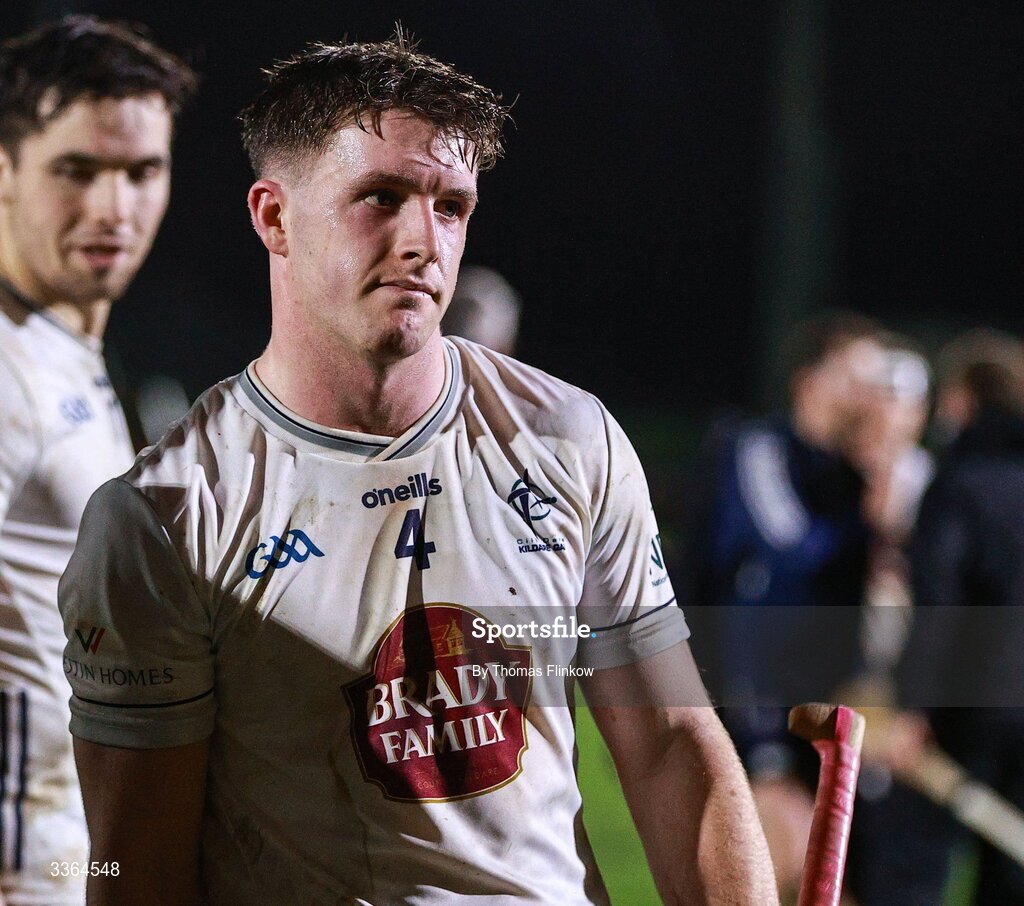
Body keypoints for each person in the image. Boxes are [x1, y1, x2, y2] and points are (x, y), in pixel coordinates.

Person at [57, 35, 777, 906]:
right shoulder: (166, 517)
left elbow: (668, 746)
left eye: (450, 206)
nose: (421, 240)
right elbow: (138, 870)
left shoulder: (567, 439)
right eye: (379, 196)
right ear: (273, 217)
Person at [0, 16, 196, 906]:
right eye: (76, 170)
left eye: (141, 172)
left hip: (65, 849)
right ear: (4, 170)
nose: (114, 209)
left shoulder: (62, 353)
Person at [674, 310, 892, 896]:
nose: (873, 397)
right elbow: (789, 545)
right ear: (811, 381)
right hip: (757, 712)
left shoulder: (857, 474)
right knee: (784, 873)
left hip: (840, 708)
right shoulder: (756, 446)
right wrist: (868, 515)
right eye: (859, 378)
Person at [868, 329, 1024, 906]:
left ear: (965, 399)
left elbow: (939, 606)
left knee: (908, 869)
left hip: (971, 712)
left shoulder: (961, 484)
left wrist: (912, 709)